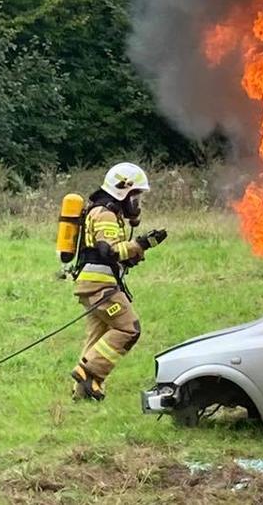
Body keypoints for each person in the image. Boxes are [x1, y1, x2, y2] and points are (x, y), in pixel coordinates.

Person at [69, 162, 168, 401]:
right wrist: (141, 244)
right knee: (128, 328)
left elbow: (112, 254)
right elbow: (109, 252)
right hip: (100, 285)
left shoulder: (106, 211)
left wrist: (134, 254)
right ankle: (90, 371)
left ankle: (83, 392)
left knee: (98, 335)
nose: (138, 203)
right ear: (124, 190)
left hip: (93, 282)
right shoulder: (105, 213)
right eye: (136, 196)